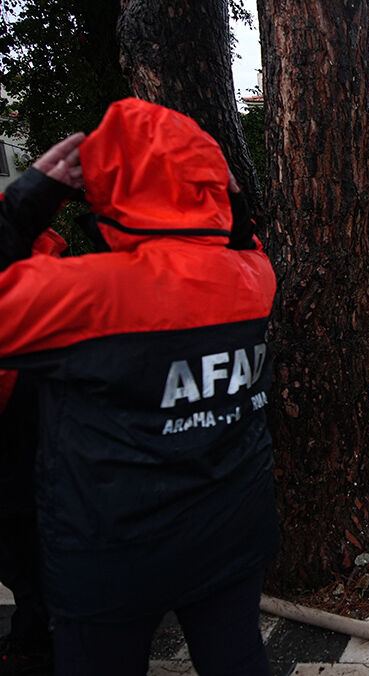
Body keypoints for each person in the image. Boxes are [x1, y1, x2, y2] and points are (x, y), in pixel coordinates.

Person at [0, 98, 278, 676]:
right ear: (212, 183)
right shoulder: (255, 279)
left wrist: (29, 200)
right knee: (237, 658)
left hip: (112, 556)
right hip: (230, 533)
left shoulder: (83, 296)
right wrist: (230, 199)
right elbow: (242, 242)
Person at [0, 133, 85, 674]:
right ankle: (38, 639)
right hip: (12, 436)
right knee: (29, 556)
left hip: (45, 435)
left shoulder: (47, 251)